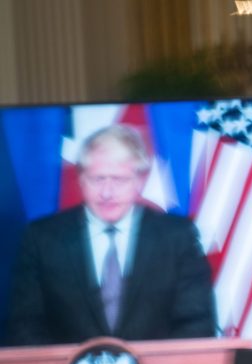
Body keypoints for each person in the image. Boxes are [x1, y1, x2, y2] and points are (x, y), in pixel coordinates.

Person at [5, 124, 216, 345]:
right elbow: (24, 325)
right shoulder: (42, 238)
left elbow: (197, 324)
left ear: (140, 180)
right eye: (98, 179)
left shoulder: (177, 237)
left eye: (119, 179)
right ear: (81, 179)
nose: (107, 193)